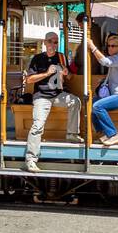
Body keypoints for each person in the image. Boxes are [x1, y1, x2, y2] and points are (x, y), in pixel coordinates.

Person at [24, 32, 82, 172]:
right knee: (37, 126)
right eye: (50, 41)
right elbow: (29, 80)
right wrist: (47, 73)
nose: (53, 44)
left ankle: (72, 134)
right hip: (41, 96)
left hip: (58, 95)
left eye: (55, 42)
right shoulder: (37, 58)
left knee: (75, 101)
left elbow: (71, 78)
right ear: (45, 42)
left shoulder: (61, 57)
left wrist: (67, 74)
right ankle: (30, 160)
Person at [87, 31, 118, 146]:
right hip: (115, 96)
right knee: (90, 105)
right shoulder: (116, 58)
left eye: (113, 46)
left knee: (97, 106)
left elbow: (105, 62)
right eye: (108, 46)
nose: (110, 48)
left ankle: (113, 135)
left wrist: (92, 47)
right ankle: (102, 134)